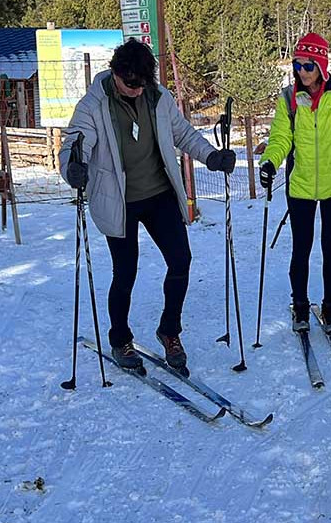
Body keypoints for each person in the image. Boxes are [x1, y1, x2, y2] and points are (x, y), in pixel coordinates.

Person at [59, 39, 236, 376]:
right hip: (118, 199)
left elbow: (182, 134)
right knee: (125, 272)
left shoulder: (158, 97)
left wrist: (211, 156)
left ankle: (170, 331)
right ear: (115, 74)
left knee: (180, 260)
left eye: (143, 83)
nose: (137, 90)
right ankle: (120, 338)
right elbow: (76, 143)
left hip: (158, 194)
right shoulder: (94, 104)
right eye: (131, 84)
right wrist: (73, 168)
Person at [257, 32, 331, 335]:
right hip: (300, 186)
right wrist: (270, 161)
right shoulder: (288, 98)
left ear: (321, 64)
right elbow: (281, 138)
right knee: (301, 249)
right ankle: (300, 306)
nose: (301, 72)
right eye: (297, 65)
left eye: (307, 65)